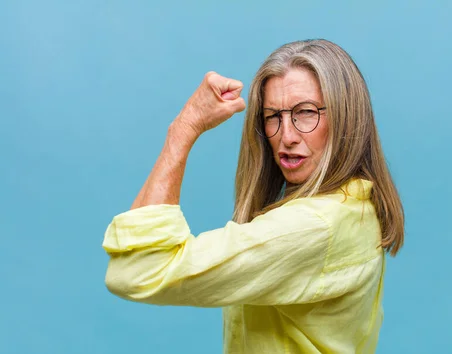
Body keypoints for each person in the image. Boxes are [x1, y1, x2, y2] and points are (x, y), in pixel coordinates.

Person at [102, 39, 405, 353]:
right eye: (273, 116)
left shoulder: (314, 226)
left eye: (305, 113)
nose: (286, 136)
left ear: (346, 116)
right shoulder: (355, 207)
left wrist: (184, 127)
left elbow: (138, 269)